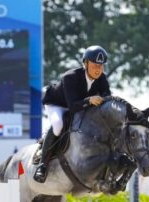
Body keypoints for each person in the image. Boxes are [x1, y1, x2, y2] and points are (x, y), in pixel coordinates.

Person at [34, 45, 112, 183]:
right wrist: (90, 100)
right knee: (58, 125)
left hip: (79, 105)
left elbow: (107, 98)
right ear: (85, 63)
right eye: (95, 65)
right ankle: (42, 164)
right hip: (57, 103)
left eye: (101, 66)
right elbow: (73, 106)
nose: (98, 69)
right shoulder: (70, 77)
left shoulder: (102, 78)